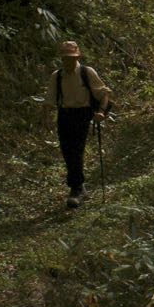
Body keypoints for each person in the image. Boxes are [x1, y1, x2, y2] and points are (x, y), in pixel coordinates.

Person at [48, 40, 111, 208]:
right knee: (66, 150)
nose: (68, 61)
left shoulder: (86, 72)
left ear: (77, 57)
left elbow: (103, 93)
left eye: (71, 58)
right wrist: (43, 119)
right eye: (65, 58)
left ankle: (76, 188)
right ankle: (78, 186)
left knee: (76, 149)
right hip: (64, 114)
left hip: (82, 113)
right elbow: (50, 101)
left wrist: (101, 112)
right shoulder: (57, 76)